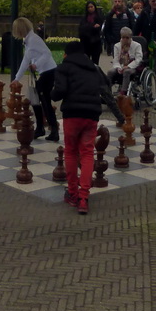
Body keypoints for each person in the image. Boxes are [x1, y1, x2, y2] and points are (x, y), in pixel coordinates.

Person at [51, 39, 104, 215]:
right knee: (88, 153)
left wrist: (50, 93)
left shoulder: (64, 67)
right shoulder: (94, 68)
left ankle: (73, 194)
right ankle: (84, 198)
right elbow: (105, 88)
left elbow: (59, 92)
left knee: (71, 152)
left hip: (72, 115)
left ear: (67, 54)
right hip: (91, 116)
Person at [12, 16, 60, 141]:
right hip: (45, 72)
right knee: (37, 100)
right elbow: (26, 60)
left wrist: (36, 64)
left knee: (43, 101)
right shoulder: (29, 40)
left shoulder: (33, 39)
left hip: (48, 72)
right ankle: (43, 128)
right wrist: (17, 78)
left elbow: (47, 53)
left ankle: (50, 129)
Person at [109, 27, 143, 94]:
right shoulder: (117, 46)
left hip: (132, 67)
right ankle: (107, 92)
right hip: (120, 66)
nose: (125, 39)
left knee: (126, 72)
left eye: (127, 38)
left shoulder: (137, 45)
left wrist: (128, 66)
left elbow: (138, 59)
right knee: (110, 72)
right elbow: (115, 59)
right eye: (123, 37)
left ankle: (123, 92)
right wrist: (118, 68)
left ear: (130, 37)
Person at [78, 1, 103, 65]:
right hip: (86, 43)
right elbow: (82, 29)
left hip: (96, 43)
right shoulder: (84, 18)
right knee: (86, 62)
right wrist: (92, 26)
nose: (90, 8)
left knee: (95, 63)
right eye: (88, 7)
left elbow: (99, 29)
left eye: (91, 7)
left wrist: (90, 27)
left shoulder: (98, 17)